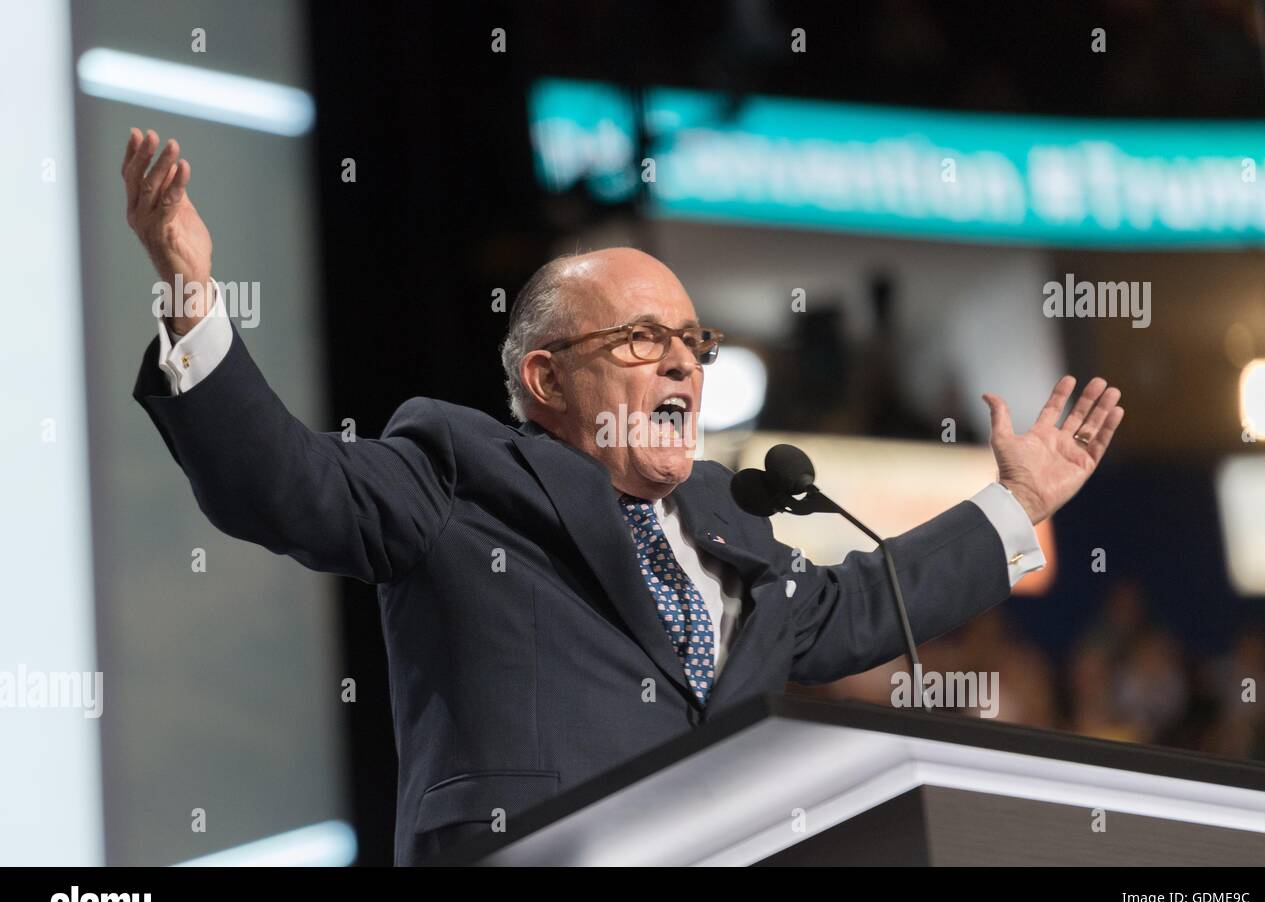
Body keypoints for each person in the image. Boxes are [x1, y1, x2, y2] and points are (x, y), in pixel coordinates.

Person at [121, 128, 1125, 863]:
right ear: (550, 381)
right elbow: (283, 485)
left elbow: (869, 601)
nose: (682, 364)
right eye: (644, 339)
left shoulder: (733, 524)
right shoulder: (456, 471)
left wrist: (1017, 499)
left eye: (695, 342)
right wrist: (193, 298)